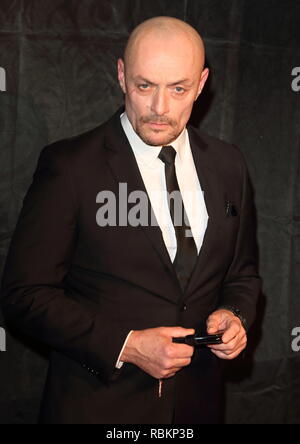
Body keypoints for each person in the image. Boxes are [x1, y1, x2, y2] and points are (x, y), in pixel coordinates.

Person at [1, 16, 261, 424]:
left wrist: (235, 315)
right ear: (122, 75)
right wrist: (126, 345)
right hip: (97, 406)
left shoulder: (229, 164)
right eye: (145, 86)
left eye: (178, 89)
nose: (160, 108)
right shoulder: (71, 166)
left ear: (201, 82)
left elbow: (242, 274)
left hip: (198, 406)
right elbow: (24, 294)